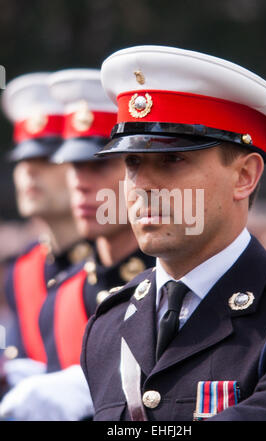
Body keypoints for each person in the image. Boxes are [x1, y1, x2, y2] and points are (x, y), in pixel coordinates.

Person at [80, 45, 266, 421]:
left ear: (244, 176)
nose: (143, 185)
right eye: (133, 162)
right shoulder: (107, 325)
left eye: (172, 160)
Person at [0, 69, 155, 420]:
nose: (80, 183)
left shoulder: (173, 284)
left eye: (96, 165)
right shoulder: (62, 296)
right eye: (72, 166)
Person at [0, 73, 92, 395]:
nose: (29, 172)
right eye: (22, 160)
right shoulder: (23, 269)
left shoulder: (122, 262)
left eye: (47, 159)